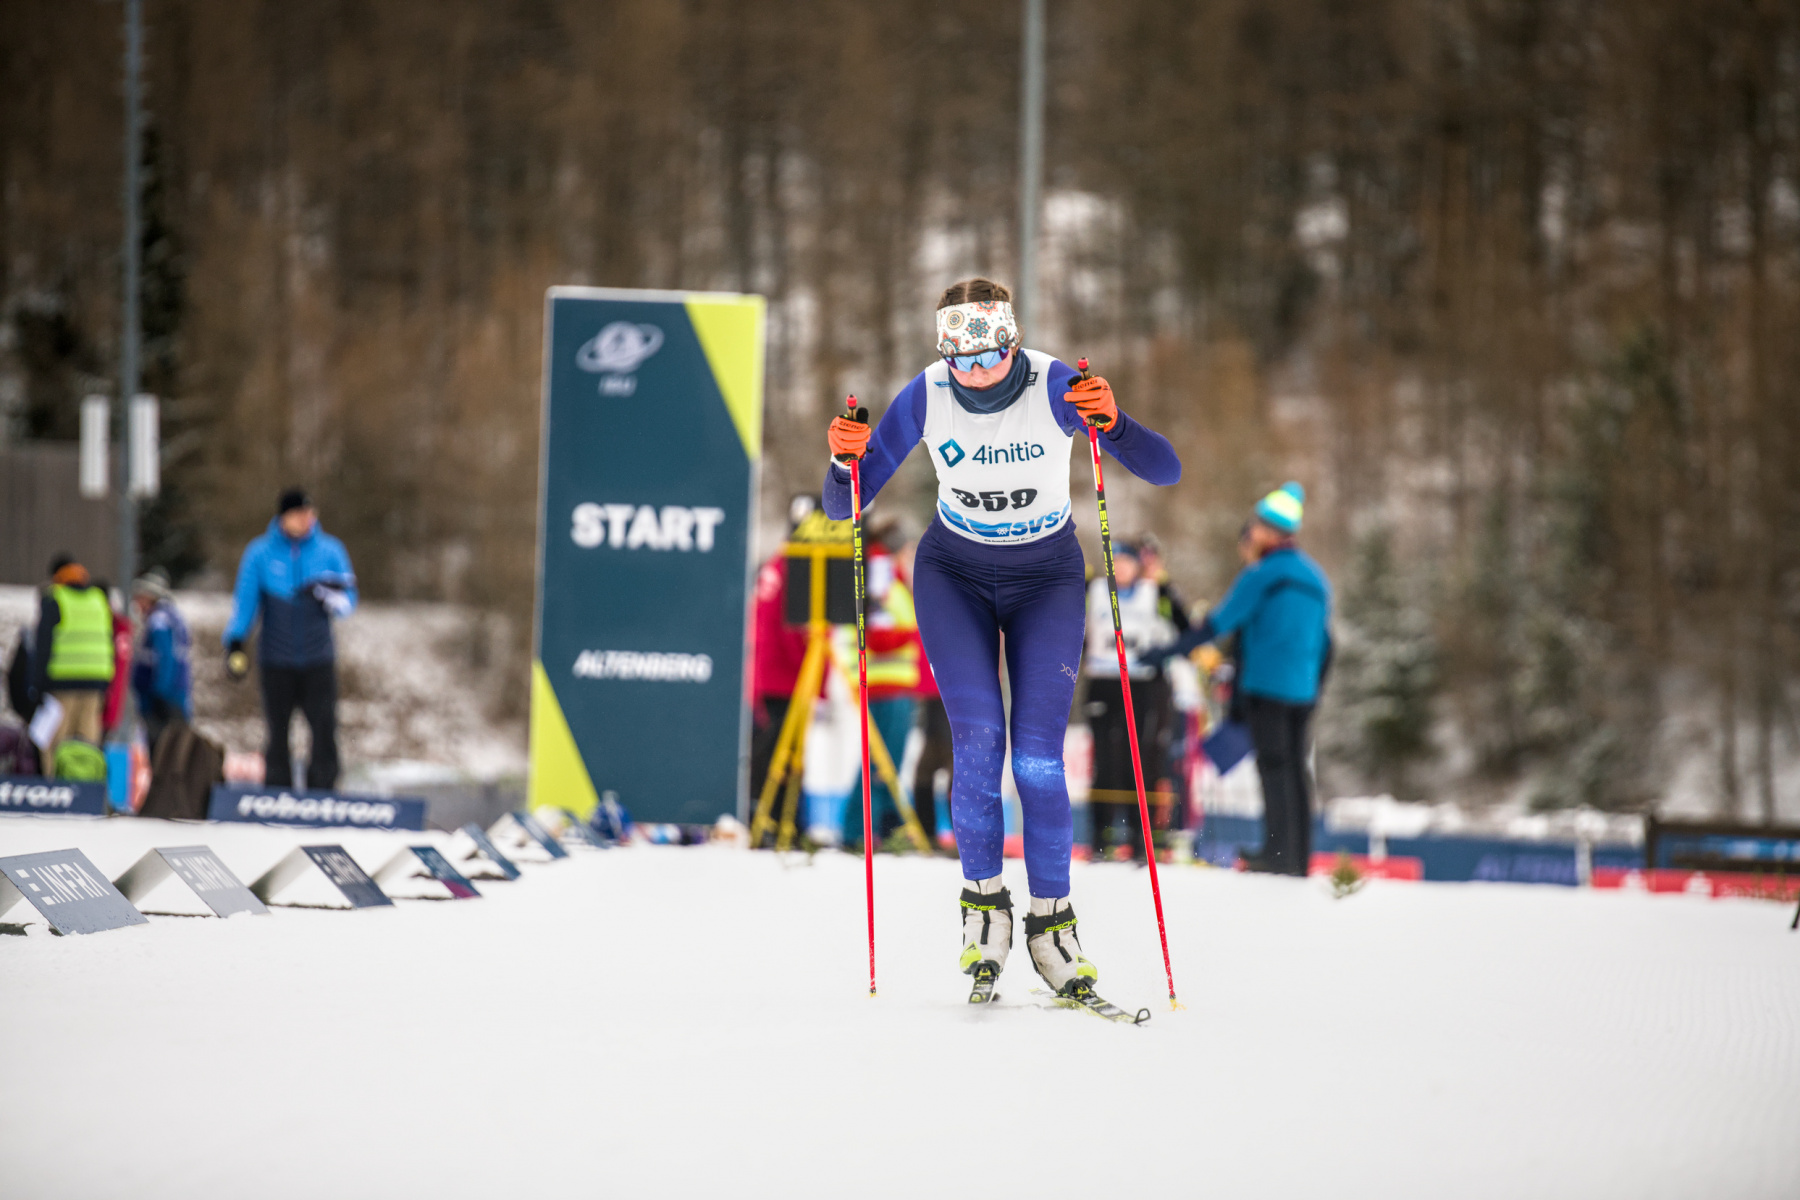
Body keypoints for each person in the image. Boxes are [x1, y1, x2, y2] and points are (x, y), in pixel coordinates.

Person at [823, 276, 1181, 1003]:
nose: (978, 372)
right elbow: (843, 504)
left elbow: (1164, 468)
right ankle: (984, 911)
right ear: (944, 353)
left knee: (1040, 759)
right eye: (962, 357)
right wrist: (841, 461)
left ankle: (1053, 925)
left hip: (1046, 577)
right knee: (979, 743)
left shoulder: (1054, 384)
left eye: (991, 355)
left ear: (1013, 342)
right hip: (953, 575)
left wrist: (1113, 422)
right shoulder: (928, 393)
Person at [1167, 483, 1332, 876]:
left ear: (1270, 532)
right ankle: (1298, 857)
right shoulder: (1316, 578)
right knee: (1295, 769)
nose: (1251, 532)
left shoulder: (1262, 573)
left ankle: (1277, 855)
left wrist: (1171, 648)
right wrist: (1314, 685)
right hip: (1304, 689)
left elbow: (1221, 621)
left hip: (1266, 685)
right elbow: (1327, 642)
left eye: (1256, 526)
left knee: (1273, 767)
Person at [224, 488, 358, 789]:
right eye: (299, 514)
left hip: (318, 657)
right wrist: (235, 642)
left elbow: (349, 599)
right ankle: (277, 789)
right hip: (276, 657)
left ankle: (323, 791)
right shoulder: (260, 553)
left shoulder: (330, 550)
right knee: (277, 730)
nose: (306, 519)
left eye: (310, 513)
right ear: (284, 517)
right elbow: (245, 601)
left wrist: (328, 597)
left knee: (324, 728)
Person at [1083, 540, 1177, 863]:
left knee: (1139, 760)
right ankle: (1101, 836)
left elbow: (1180, 623)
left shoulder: (1153, 592)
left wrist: (1165, 586)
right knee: (1105, 760)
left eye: (1127, 562)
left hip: (1139, 685)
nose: (1120, 568)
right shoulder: (1094, 589)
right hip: (1102, 682)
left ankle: (1141, 838)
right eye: (1116, 561)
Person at [837, 530, 921, 850]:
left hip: (887, 685)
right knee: (880, 764)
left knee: (885, 763)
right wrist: (914, 633)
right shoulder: (879, 573)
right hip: (885, 685)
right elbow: (877, 634)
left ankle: (878, 828)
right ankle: (859, 831)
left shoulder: (880, 573)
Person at [30, 554, 116, 762]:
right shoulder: (99, 600)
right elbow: (107, 641)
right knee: (87, 742)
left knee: (55, 742)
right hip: (95, 681)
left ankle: (56, 781)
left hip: (62, 682)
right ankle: (86, 779)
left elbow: (43, 646)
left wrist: (37, 684)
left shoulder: (55, 599)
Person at [897, 536, 953, 850]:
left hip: (946, 689)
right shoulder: (921, 590)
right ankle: (930, 833)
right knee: (931, 765)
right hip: (933, 689)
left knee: (950, 762)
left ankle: (954, 835)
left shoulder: (941, 590)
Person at [130, 568, 194, 753]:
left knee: (162, 750)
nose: (137, 604)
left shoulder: (159, 621)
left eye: (140, 598)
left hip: (160, 699)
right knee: (175, 747)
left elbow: (165, 657)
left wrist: (160, 692)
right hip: (172, 695)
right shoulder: (171, 617)